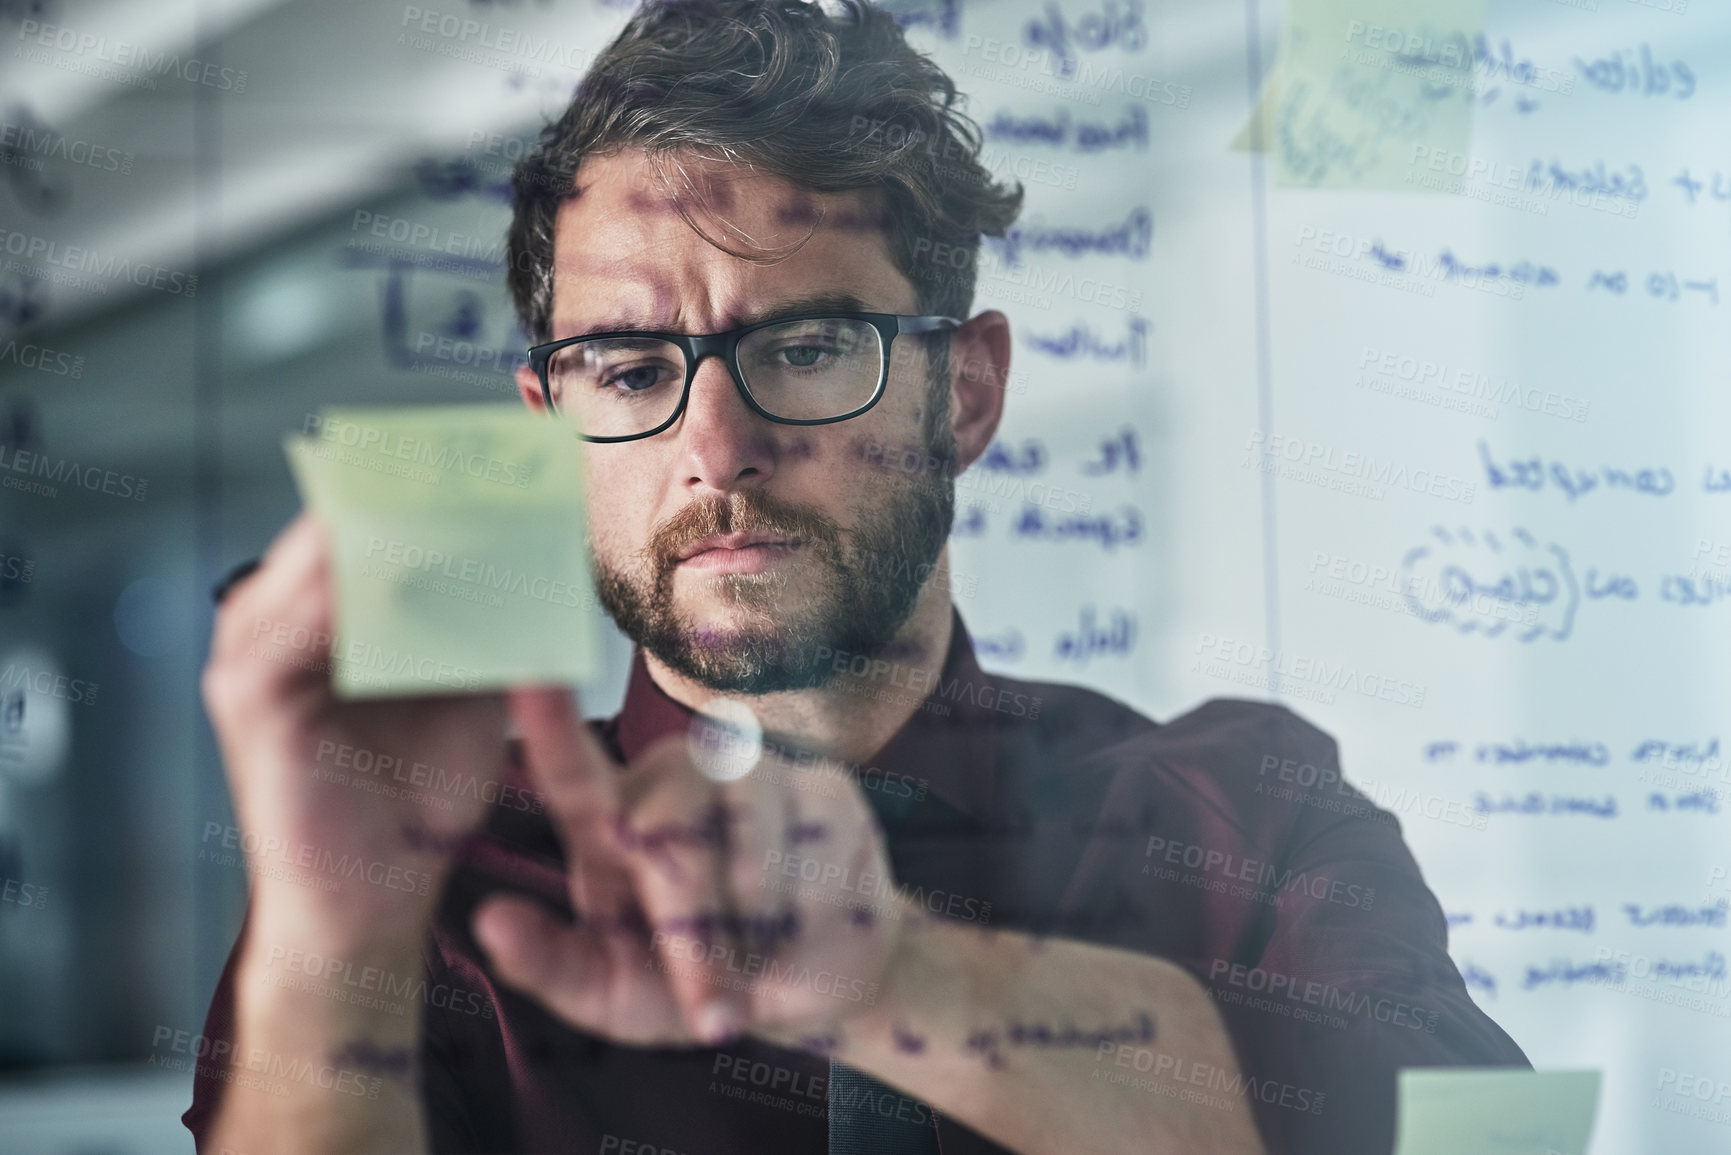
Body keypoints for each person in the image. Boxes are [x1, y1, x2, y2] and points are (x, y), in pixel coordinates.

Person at [186, 1, 1528, 1152]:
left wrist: (896, 978)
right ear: (557, 433)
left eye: (814, 346)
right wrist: (338, 944)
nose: (716, 450)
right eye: (633, 371)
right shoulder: (423, 883)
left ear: (967, 391)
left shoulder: (1249, 813)